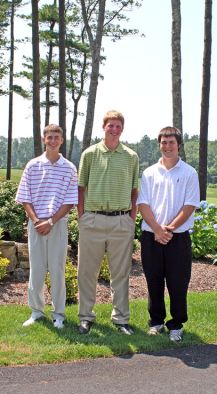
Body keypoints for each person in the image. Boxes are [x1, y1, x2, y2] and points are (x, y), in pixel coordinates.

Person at [77, 110, 139, 335]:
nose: (114, 129)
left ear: (122, 129)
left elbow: (134, 191)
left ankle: (121, 319)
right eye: (110, 125)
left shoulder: (131, 156)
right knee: (86, 272)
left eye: (118, 126)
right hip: (92, 219)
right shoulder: (90, 154)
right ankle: (85, 316)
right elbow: (80, 188)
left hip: (121, 221)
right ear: (103, 127)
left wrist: (131, 218)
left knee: (120, 273)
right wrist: (82, 216)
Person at [137, 127, 200, 342]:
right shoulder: (149, 173)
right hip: (151, 235)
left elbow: (189, 206)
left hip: (177, 237)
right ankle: (156, 322)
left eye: (171, 142)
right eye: (163, 142)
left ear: (179, 145)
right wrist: (157, 229)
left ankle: (176, 324)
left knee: (177, 282)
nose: (167, 146)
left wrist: (168, 230)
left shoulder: (189, 173)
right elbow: (142, 204)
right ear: (159, 145)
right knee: (153, 281)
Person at [15, 124, 78, 329]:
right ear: (44, 139)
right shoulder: (33, 165)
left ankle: (58, 314)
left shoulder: (69, 168)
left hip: (57, 225)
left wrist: (50, 221)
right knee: (37, 269)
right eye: (49, 137)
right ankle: (36, 312)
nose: (52, 140)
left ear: (61, 140)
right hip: (36, 224)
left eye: (56, 137)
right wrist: (36, 221)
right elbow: (25, 197)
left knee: (58, 270)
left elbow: (70, 201)